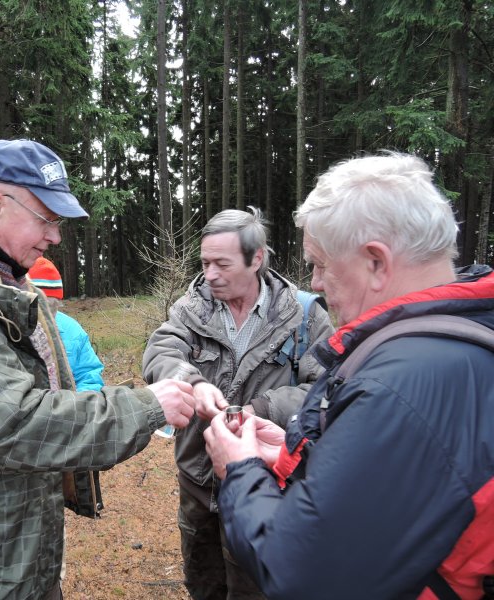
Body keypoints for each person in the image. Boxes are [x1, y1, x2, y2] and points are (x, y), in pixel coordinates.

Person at [0, 138, 196, 600]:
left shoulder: (11, 285)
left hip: (17, 537)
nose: (55, 237)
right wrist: (145, 406)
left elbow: (53, 397)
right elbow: (5, 424)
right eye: (46, 219)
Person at [204, 152, 494, 599]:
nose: (315, 283)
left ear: (376, 262)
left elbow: (300, 573)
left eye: (320, 264)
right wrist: (295, 454)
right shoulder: (460, 343)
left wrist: (239, 469)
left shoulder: (400, 385)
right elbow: (400, 492)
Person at [142, 207, 334, 600]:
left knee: (254, 585)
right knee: (203, 580)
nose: (210, 273)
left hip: (268, 483)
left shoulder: (304, 316)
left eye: (222, 263)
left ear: (257, 259)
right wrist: (192, 383)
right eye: (205, 262)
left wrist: (262, 409)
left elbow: (326, 389)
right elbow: (160, 353)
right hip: (197, 480)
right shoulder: (190, 308)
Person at [28, 256, 105, 392]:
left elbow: (89, 375)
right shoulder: (7, 328)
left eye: (53, 307)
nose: (46, 317)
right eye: (40, 308)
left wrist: (80, 404)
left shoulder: (72, 330)